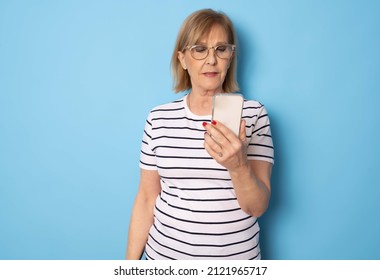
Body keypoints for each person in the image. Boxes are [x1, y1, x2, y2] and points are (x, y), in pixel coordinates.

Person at [126, 9, 274, 260]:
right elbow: (146, 198)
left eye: (221, 49)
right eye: (199, 49)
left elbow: (257, 206)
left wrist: (237, 166)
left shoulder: (253, 114)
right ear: (183, 59)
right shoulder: (158, 118)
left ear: (231, 57)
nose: (211, 60)